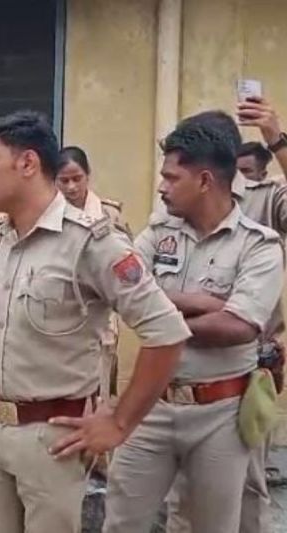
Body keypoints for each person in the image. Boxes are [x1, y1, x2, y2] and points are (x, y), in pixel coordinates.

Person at [0, 110, 190, 533]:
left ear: (27, 163)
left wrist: (119, 421)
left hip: (52, 437)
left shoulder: (92, 242)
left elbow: (166, 333)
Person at [104, 111, 284, 533]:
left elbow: (239, 327)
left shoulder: (259, 245)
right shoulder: (157, 233)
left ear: (204, 180)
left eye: (171, 178)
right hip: (150, 404)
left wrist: (160, 309)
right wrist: (203, 303)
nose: (161, 187)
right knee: (122, 522)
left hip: (221, 412)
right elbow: (125, 295)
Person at [164, 110, 287, 533]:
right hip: (180, 376)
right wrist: (201, 304)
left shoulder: (263, 198)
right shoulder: (176, 204)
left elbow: (240, 322)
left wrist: (277, 139)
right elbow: (143, 291)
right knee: (184, 499)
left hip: (244, 372)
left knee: (247, 493)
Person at [56, 146, 131, 403]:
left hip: (100, 310)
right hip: (60, 312)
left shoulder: (108, 214)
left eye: (77, 179)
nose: (71, 187)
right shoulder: (46, 216)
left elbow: (125, 264)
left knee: (100, 385)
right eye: (64, 180)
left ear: (88, 176)